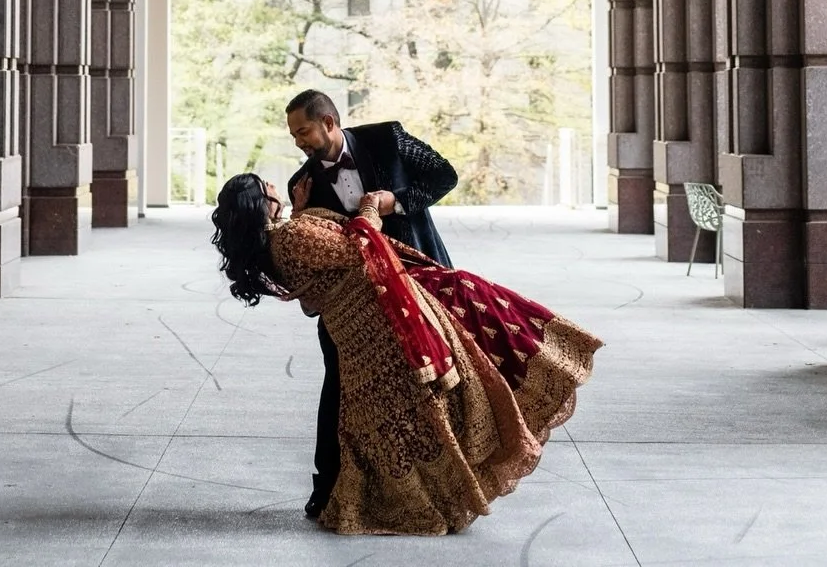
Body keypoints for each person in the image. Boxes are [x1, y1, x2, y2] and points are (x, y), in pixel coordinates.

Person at [210, 173, 600, 536]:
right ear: (258, 201)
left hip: (359, 330)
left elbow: (317, 256)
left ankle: (428, 497)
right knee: (432, 397)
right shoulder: (291, 238)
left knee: (398, 419)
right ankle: (428, 501)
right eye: (266, 184)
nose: (275, 185)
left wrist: (299, 209)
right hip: (377, 324)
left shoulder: (276, 244)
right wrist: (369, 207)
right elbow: (354, 246)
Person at [284, 90, 456, 515]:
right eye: (292, 135)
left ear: (328, 122)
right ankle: (326, 485)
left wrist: (393, 202)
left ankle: (443, 483)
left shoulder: (388, 139)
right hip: (350, 303)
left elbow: (444, 176)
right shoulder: (299, 184)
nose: (298, 142)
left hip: (417, 281)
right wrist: (298, 216)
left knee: (432, 379)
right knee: (337, 383)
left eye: (303, 131)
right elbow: (311, 247)